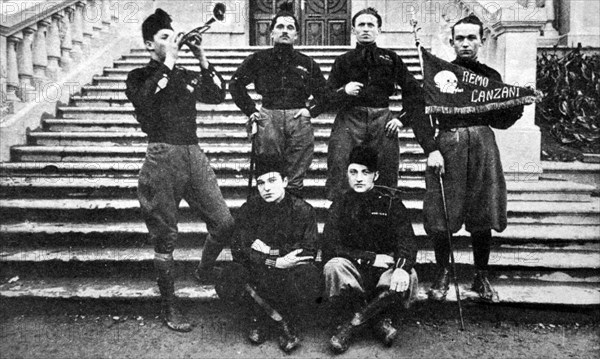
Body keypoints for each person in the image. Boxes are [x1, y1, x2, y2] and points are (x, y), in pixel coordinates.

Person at [125, 9, 234, 332]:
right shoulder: (138, 76)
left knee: (225, 223)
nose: (172, 40)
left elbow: (217, 94)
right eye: (164, 37)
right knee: (165, 236)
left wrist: (201, 55)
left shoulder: (185, 73)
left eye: (173, 35)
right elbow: (146, 103)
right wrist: (169, 61)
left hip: (192, 153)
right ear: (149, 45)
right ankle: (169, 306)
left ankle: (203, 271)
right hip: (161, 155)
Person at [412, 15, 524, 303]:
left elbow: (501, 120)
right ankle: (443, 273)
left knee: (483, 210)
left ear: (482, 40)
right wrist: (431, 149)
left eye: (471, 38)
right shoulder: (439, 74)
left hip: (484, 145)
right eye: (459, 38)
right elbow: (420, 117)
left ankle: (481, 276)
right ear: (451, 41)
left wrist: (516, 103)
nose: (465, 43)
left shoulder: (490, 77)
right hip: (448, 145)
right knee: (441, 211)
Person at [216, 157, 321, 353]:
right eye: (261, 183)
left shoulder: (303, 210)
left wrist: (271, 252)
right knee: (230, 274)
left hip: (288, 275)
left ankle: (289, 318)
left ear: (285, 181)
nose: (266, 188)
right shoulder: (249, 209)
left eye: (272, 181)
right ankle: (261, 316)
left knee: (309, 275)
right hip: (261, 272)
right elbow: (239, 249)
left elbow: (309, 249)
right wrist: (275, 261)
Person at [322, 145, 418, 354]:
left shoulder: (391, 203)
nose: (359, 178)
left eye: (365, 172)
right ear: (347, 173)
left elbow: (407, 242)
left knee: (409, 273)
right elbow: (330, 246)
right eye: (353, 172)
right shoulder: (340, 204)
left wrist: (401, 268)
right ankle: (376, 320)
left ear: (376, 175)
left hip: (384, 274)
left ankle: (355, 324)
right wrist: (369, 258)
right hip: (355, 271)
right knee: (333, 266)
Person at [325, 7, 426, 200]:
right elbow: (326, 97)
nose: (365, 29)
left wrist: (401, 119)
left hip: (382, 121)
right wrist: (343, 91)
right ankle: (340, 216)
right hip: (349, 119)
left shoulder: (390, 58)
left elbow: (414, 91)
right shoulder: (343, 61)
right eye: (361, 25)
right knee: (340, 165)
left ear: (378, 30)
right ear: (353, 30)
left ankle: (383, 216)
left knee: (386, 168)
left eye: (370, 25)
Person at [229, 3, 328, 194]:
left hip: (298, 119)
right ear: (271, 33)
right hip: (269, 117)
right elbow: (235, 84)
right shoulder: (258, 59)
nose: (285, 31)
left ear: (296, 36)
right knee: (268, 174)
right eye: (280, 27)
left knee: (295, 179)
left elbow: (325, 94)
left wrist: (311, 111)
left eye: (290, 28)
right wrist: (251, 110)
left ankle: (293, 219)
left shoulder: (307, 63)